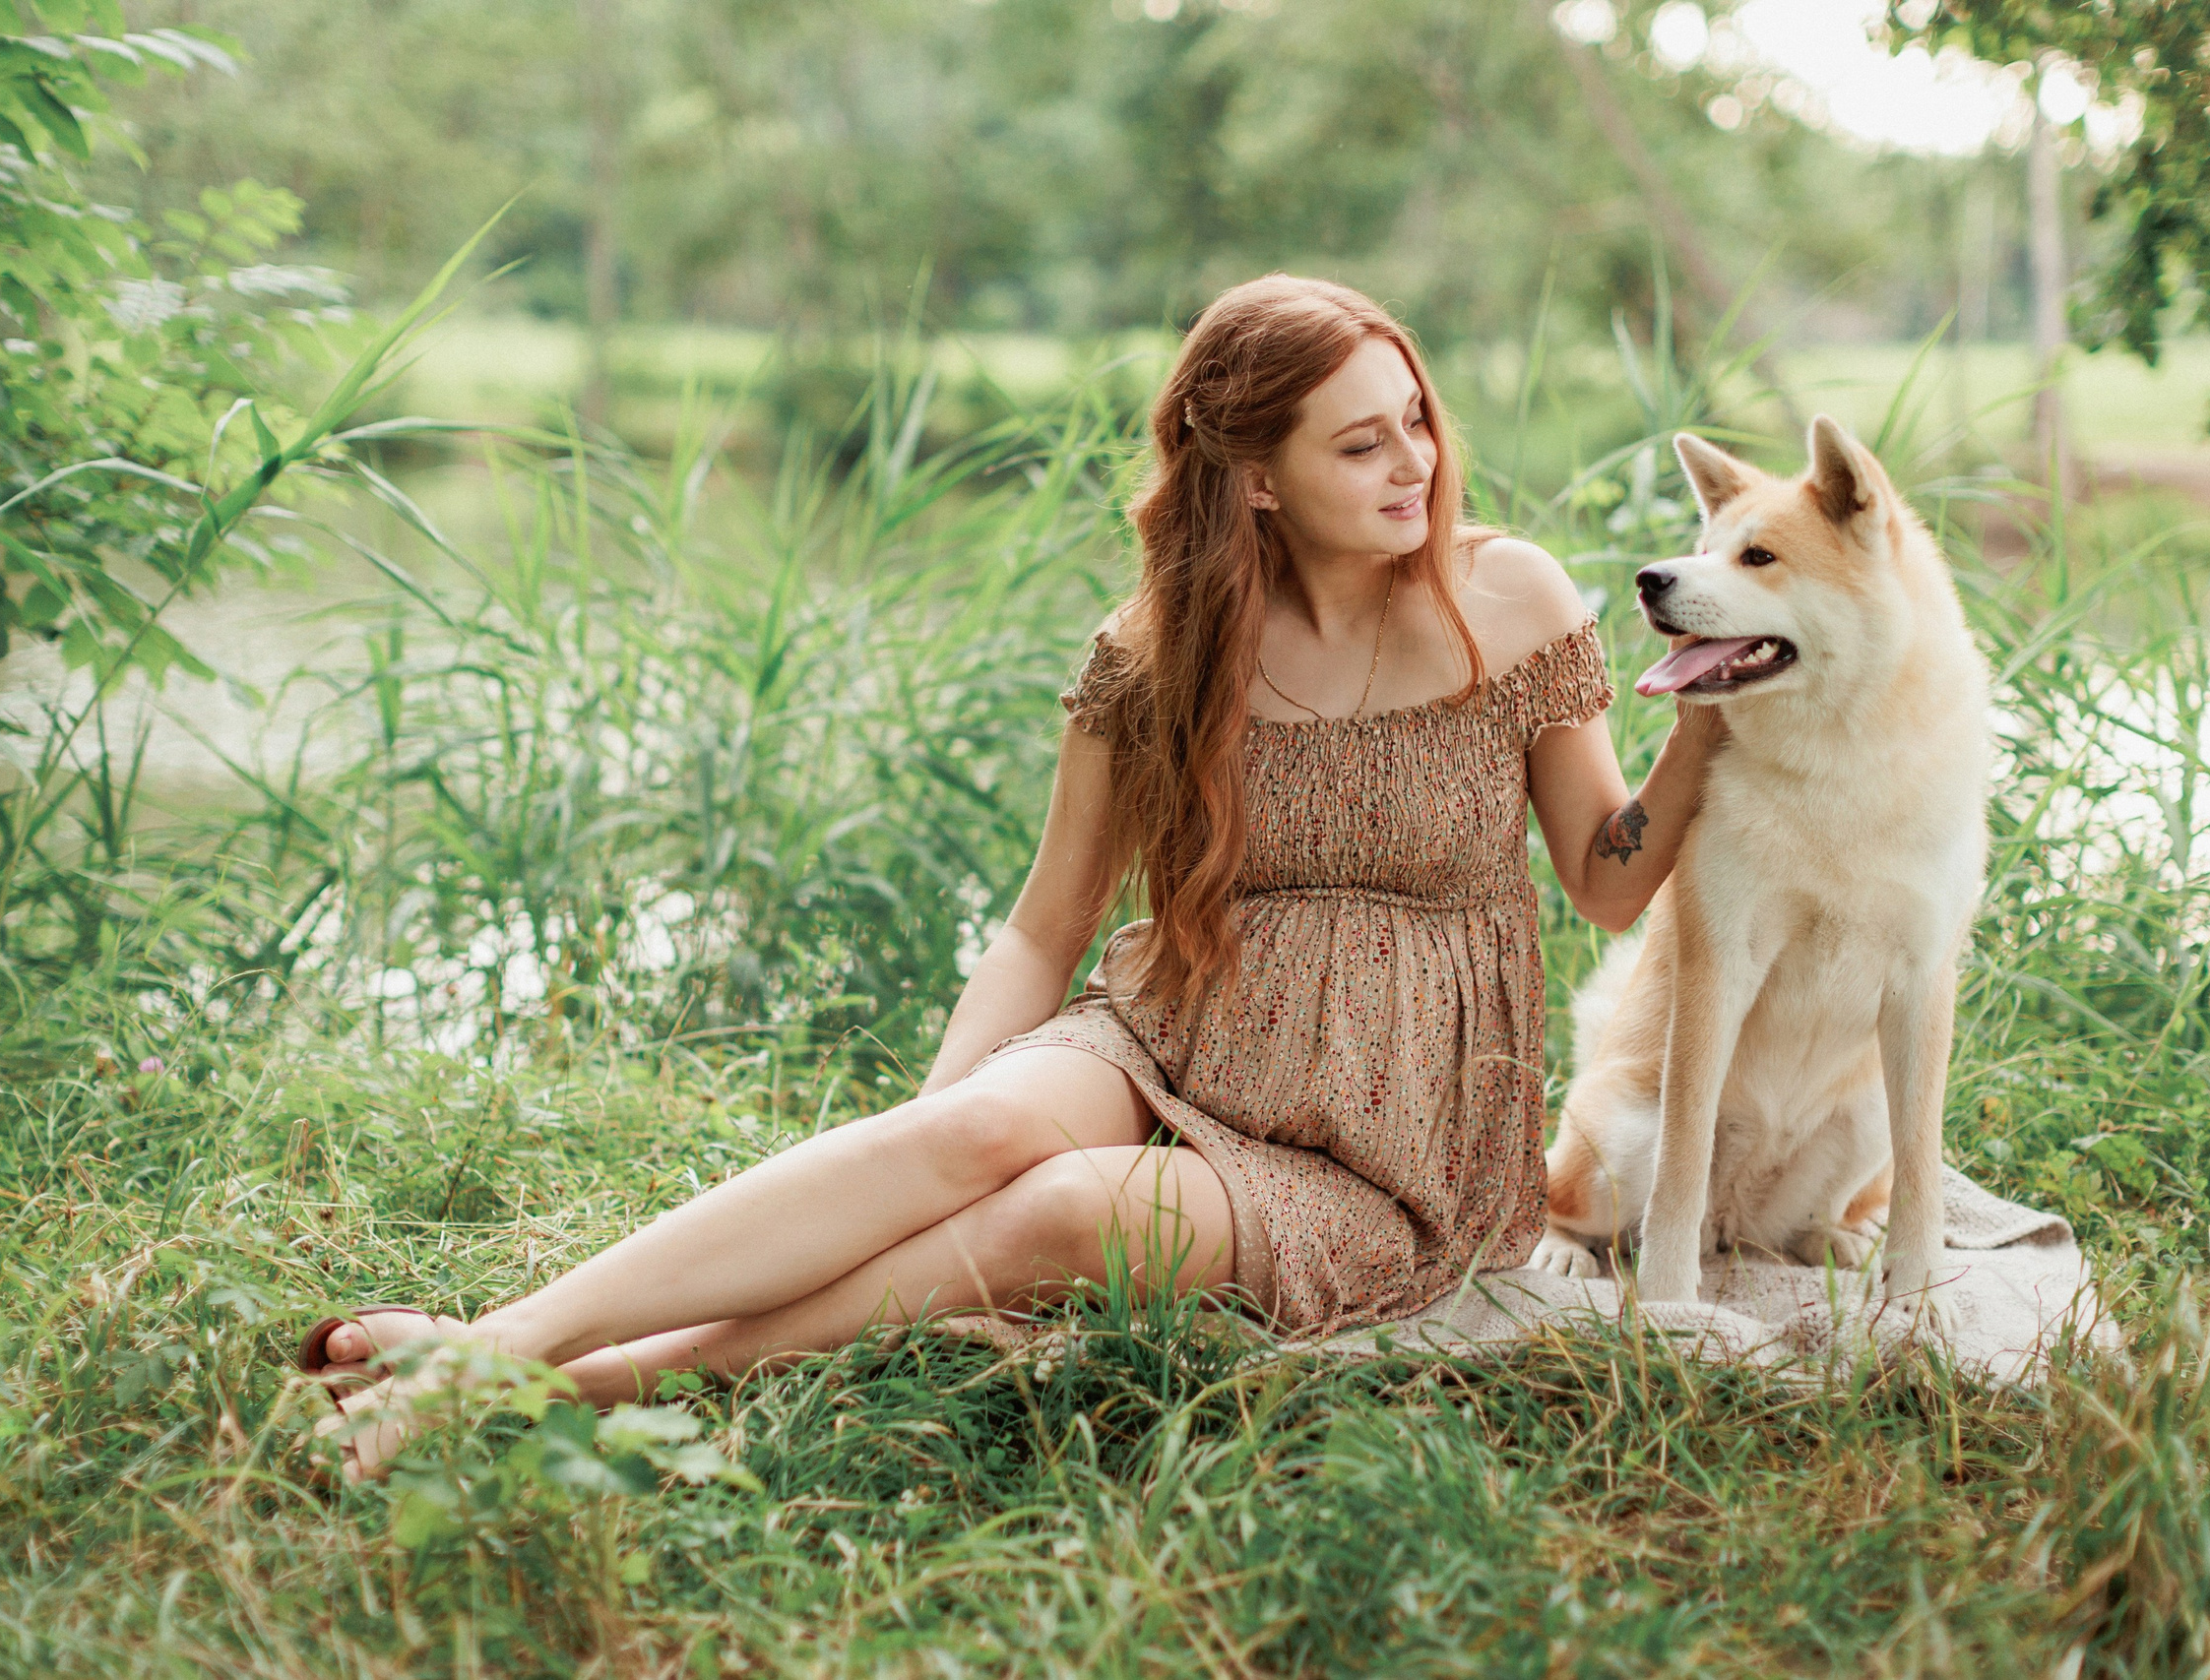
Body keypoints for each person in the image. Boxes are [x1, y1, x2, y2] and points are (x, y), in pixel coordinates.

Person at [304, 275, 1725, 1480]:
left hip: (1394, 1143)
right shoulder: (1160, 648)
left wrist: (1709, 718)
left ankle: (563, 1379)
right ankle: (498, 1342)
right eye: (1361, 444)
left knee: (1062, 1212)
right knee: (978, 1134)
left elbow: (1606, 884)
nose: (1412, 462)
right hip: (1179, 1032)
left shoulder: (1508, 601)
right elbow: (1047, 928)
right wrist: (935, 1132)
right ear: (1255, 478)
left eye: (1414, 420)